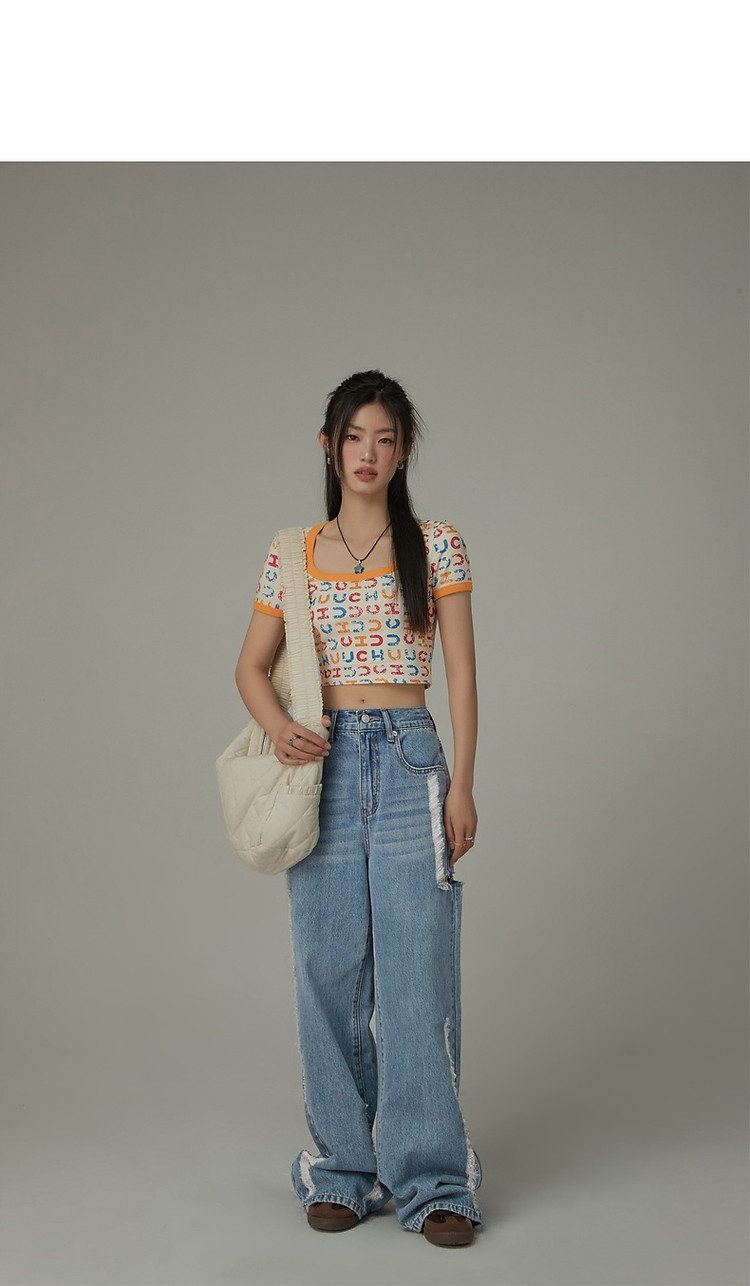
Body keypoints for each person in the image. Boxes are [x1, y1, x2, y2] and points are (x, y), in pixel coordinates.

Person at [234, 370, 482, 1248]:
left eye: (384, 438)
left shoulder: (436, 545)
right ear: (328, 445)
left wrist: (462, 782)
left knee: (418, 973)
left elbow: (460, 674)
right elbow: (249, 666)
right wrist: (281, 730)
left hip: (411, 758)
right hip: (327, 765)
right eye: (353, 437)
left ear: (403, 450)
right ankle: (343, 1168)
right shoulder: (294, 551)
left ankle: (435, 1181)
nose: (367, 453)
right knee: (328, 969)